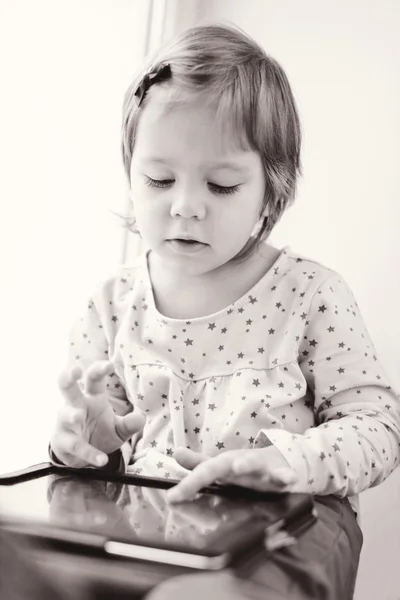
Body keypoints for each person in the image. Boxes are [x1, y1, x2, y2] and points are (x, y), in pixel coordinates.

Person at [49, 23, 400, 600]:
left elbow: (379, 429)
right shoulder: (111, 305)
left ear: (272, 189)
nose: (186, 207)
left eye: (222, 186)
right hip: (146, 534)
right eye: (159, 179)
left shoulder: (311, 296)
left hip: (285, 533)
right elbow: (97, 449)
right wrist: (85, 447)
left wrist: (288, 462)